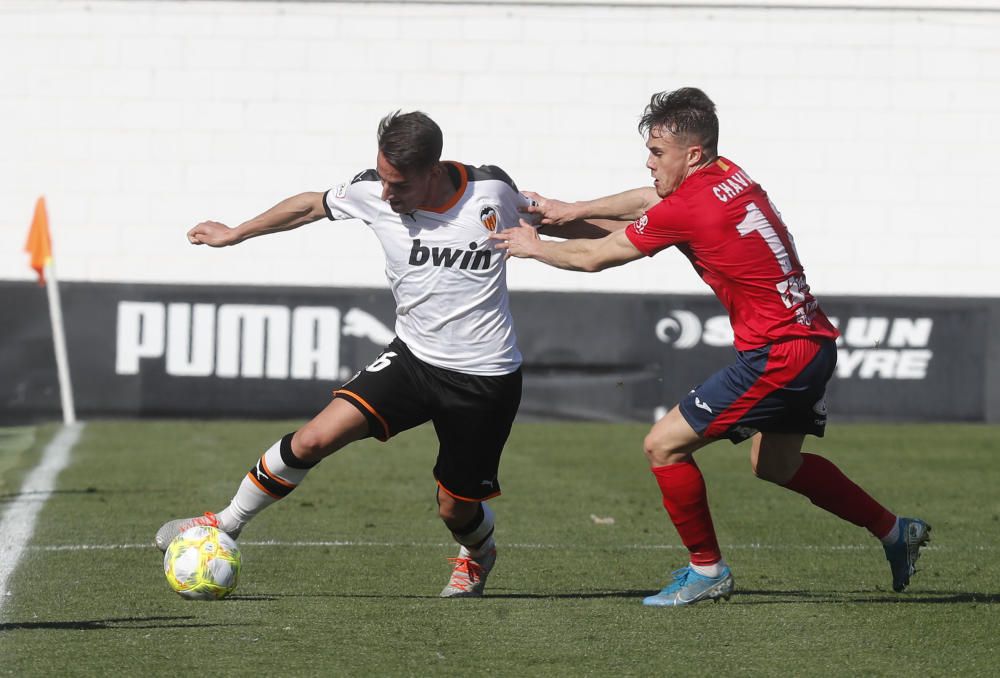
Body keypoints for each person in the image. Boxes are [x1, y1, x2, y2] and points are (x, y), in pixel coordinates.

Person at [492, 87, 931, 606]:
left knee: (663, 444)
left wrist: (534, 247)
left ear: (692, 155)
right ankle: (893, 530)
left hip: (780, 355)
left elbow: (597, 256)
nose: (648, 162)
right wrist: (570, 211)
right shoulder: (729, 176)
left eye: (657, 153)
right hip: (811, 342)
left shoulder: (692, 206)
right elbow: (647, 205)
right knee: (775, 465)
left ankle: (708, 569)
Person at [156, 111, 539, 597]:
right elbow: (307, 206)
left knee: (454, 508)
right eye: (381, 177)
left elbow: (560, 219)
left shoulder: (493, 192)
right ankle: (227, 522)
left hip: (485, 378)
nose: (385, 193)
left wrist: (635, 237)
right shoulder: (373, 192)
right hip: (414, 359)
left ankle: (478, 555)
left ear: (433, 171)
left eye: (397, 183)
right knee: (314, 438)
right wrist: (237, 233)